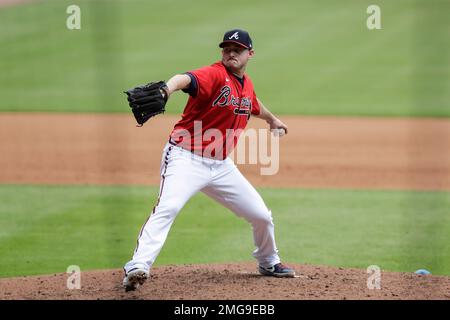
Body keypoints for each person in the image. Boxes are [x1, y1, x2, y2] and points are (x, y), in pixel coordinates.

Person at [123, 29, 295, 291]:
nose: (231, 52)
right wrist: (166, 91)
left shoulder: (245, 84)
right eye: (227, 48)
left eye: (237, 49)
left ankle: (268, 261)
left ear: (250, 54)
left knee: (261, 216)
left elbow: (252, 104)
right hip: (185, 158)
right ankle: (138, 266)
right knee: (168, 208)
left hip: (221, 165)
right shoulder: (214, 74)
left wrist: (272, 120)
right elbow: (186, 79)